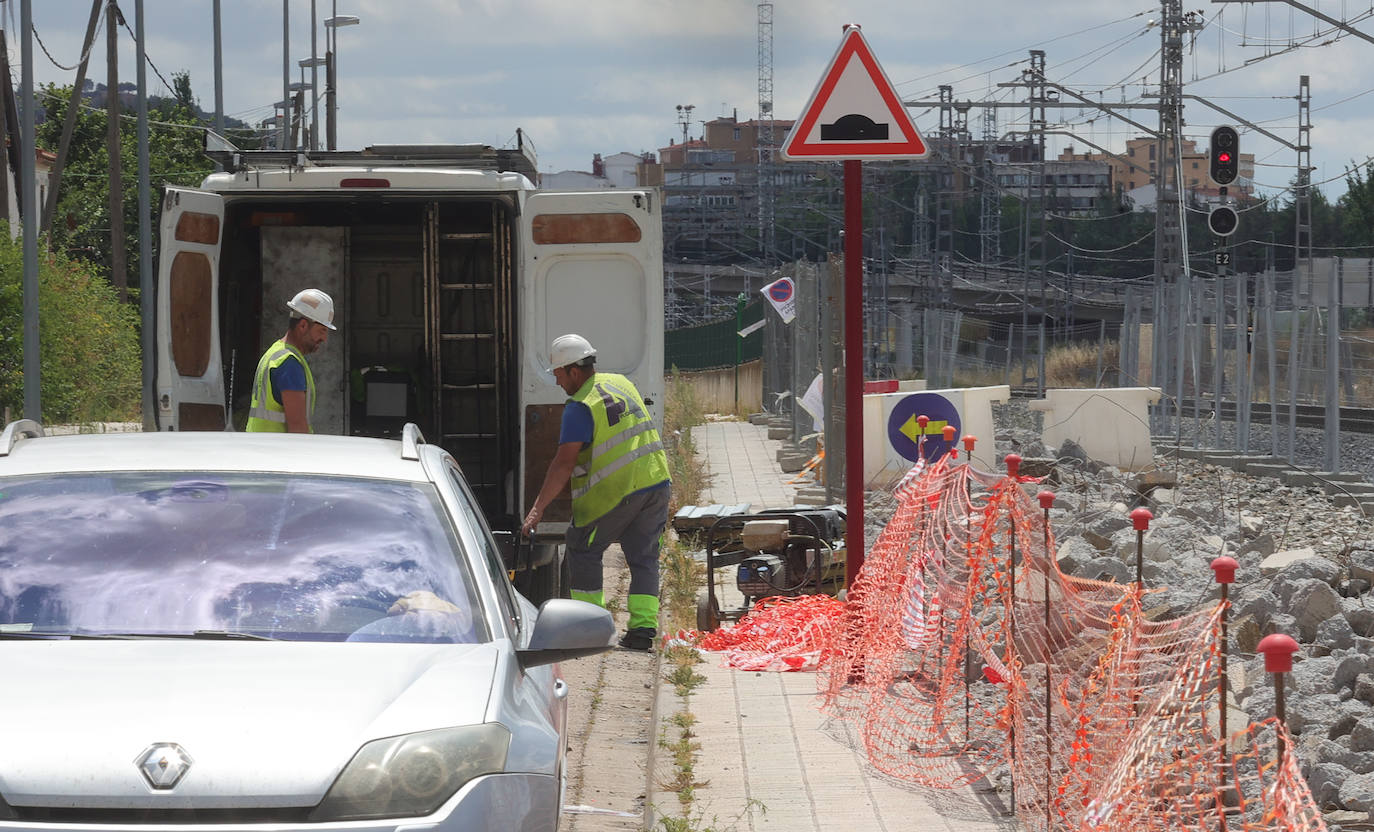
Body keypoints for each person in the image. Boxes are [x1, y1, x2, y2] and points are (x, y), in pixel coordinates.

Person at [521, 334, 671, 651]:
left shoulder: (579, 407)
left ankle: (591, 629)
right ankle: (643, 631)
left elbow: (563, 464)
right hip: (656, 481)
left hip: (617, 491)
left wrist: (537, 509)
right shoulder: (620, 382)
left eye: (558, 374)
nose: (558, 381)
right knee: (644, 557)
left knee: (583, 548)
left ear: (574, 371)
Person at [246, 288, 337, 433]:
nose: (324, 338)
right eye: (322, 331)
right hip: (278, 453)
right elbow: (297, 426)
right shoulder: (289, 364)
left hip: (262, 449)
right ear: (302, 326)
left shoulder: (275, 352)